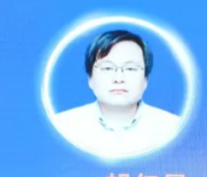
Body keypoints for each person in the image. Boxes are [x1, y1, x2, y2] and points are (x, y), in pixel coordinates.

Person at [52, 30, 182, 159]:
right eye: (107, 68)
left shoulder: (174, 128)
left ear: (145, 80)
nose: (118, 79)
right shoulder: (62, 127)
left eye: (130, 68)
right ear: (90, 79)